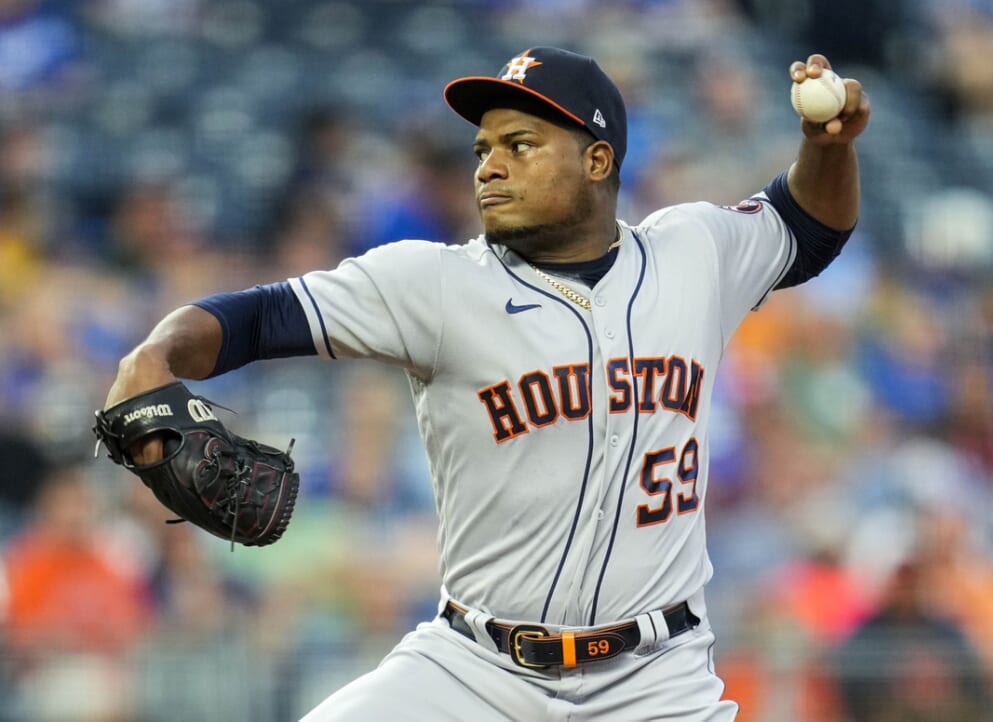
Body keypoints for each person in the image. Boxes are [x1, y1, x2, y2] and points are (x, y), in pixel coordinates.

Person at [102, 47, 870, 720]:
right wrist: (152, 356)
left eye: (520, 144)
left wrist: (827, 146)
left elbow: (809, 225)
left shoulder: (693, 253)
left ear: (597, 160)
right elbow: (251, 319)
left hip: (655, 679)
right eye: (481, 149)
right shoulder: (431, 284)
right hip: (474, 669)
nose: (489, 166)